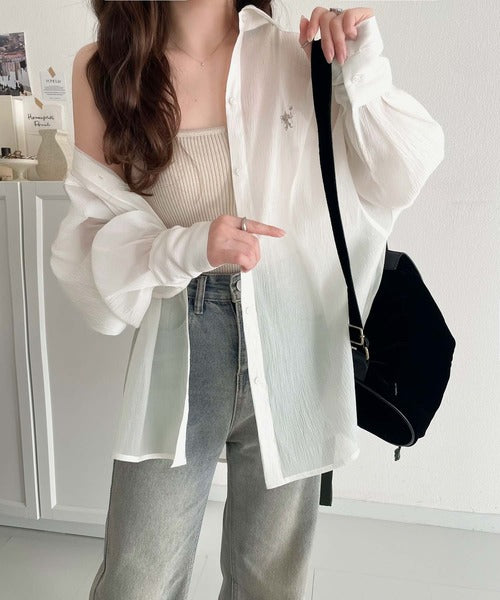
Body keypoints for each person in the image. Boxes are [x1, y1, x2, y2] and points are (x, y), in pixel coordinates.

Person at [50, 1, 444, 598]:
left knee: (273, 580)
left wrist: (361, 71)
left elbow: (402, 174)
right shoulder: (105, 71)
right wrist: (187, 247)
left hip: (295, 337)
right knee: (138, 579)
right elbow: (92, 244)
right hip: (183, 336)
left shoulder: (296, 56)